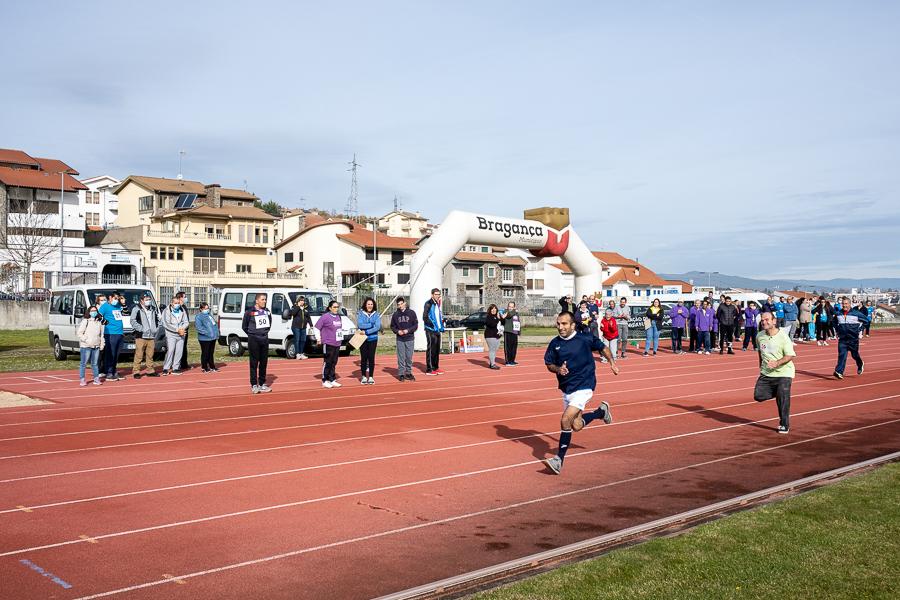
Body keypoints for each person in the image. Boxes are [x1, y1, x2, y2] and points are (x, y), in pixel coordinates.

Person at [543, 311, 618, 475]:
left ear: (572, 325)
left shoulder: (584, 338)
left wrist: (612, 362)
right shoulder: (554, 343)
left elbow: (603, 347)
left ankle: (558, 460)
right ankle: (601, 412)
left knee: (565, 419)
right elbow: (549, 364)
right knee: (576, 425)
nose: (560, 327)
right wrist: (558, 369)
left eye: (564, 324)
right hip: (567, 388)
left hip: (585, 385)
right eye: (558, 324)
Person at [754, 311, 796, 434]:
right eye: (762, 320)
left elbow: (790, 355)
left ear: (774, 321)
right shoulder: (759, 336)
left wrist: (777, 363)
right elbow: (760, 353)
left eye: (767, 319)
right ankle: (779, 393)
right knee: (758, 396)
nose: (764, 322)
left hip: (784, 372)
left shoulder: (783, 336)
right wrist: (761, 367)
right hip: (767, 373)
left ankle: (784, 424)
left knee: (783, 396)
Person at [242, 293, 272, 393]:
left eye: (265, 300)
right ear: (257, 301)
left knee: (264, 362)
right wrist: (252, 334)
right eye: (263, 299)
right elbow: (244, 326)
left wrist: (264, 332)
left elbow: (269, 323)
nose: (265, 301)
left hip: (264, 339)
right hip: (253, 339)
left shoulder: (267, 311)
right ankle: (254, 384)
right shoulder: (249, 312)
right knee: (254, 363)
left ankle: (262, 383)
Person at [832, 296, 868, 380]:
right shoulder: (838, 314)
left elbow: (866, 321)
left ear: (850, 304)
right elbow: (833, 322)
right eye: (843, 304)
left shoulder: (856, 313)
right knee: (842, 355)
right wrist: (837, 330)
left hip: (853, 338)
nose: (844, 305)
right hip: (843, 339)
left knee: (854, 355)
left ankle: (860, 364)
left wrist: (860, 330)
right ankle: (839, 372)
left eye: (846, 304)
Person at [130, 293, 160, 379]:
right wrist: (142, 329)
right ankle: (136, 371)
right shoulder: (136, 309)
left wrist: (156, 329)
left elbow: (158, 319)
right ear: (141, 301)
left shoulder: (153, 309)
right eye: (146, 300)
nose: (148, 301)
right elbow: (133, 321)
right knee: (139, 354)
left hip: (151, 335)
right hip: (141, 336)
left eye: (149, 299)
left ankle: (150, 370)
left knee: (150, 354)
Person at [315, 300, 344, 388]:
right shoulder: (325, 317)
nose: (336, 309)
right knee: (327, 361)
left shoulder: (338, 317)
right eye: (334, 307)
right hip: (328, 343)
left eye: (337, 307)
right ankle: (324, 380)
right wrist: (318, 339)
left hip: (337, 343)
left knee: (334, 362)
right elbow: (316, 327)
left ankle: (332, 379)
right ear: (330, 308)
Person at [98, 292, 125, 381]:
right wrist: (105, 322)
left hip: (119, 333)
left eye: (118, 298)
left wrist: (123, 303)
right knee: (111, 353)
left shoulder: (117, 306)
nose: (116, 300)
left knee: (116, 354)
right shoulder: (105, 306)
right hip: (110, 333)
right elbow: (98, 316)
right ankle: (109, 372)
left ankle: (114, 370)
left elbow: (125, 312)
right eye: (115, 298)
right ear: (110, 297)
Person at [390, 297, 418, 381]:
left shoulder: (411, 313)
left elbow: (415, 325)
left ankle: (408, 373)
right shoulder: (395, 315)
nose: (400, 306)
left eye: (401, 304)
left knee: (409, 357)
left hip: (409, 338)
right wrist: (397, 331)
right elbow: (392, 326)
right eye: (398, 304)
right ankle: (401, 373)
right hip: (400, 339)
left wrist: (408, 330)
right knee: (401, 357)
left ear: (405, 303)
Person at [77, 305, 105, 386]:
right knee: (83, 363)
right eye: (92, 311)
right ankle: (82, 379)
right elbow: (79, 333)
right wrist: (86, 340)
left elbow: (101, 335)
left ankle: (96, 379)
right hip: (86, 346)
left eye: (95, 310)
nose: (94, 312)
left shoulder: (99, 322)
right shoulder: (86, 321)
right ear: (89, 312)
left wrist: (102, 344)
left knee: (95, 363)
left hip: (96, 346)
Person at [161, 295, 189, 376]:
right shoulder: (166, 311)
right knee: (171, 350)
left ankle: (175, 368)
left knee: (179, 351)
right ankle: (166, 368)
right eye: (175, 303)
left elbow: (186, 322)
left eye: (178, 303)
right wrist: (177, 330)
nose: (177, 304)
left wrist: (182, 329)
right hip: (171, 334)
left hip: (181, 334)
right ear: (172, 303)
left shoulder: (182, 310)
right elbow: (166, 324)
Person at [356, 297, 381, 384]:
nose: (370, 306)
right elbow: (360, 324)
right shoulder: (361, 313)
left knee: (371, 357)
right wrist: (371, 324)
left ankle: (370, 376)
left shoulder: (376, 314)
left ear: (373, 305)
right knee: (363, 358)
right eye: (368, 304)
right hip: (362, 339)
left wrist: (366, 331)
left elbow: (377, 327)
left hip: (373, 339)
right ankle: (363, 376)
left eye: (371, 304)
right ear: (365, 305)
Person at [423, 288, 445, 376]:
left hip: (437, 330)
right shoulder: (428, 304)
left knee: (436, 349)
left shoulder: (437, 304)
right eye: (436, 294)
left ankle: (436, 367)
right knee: (431, 349)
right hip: (430, 330)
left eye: (439, 294)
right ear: (432, 295)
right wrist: (432, 325)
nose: (438, 296)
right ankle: (429, 369)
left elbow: (438, 316)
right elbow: (425, 317)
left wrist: (441, 325)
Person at [195, 302, 219, 373]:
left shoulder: (209, 315)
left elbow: (214, 325)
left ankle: (212, 366)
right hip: (204, 338)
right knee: (205, 353)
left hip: (212, 338)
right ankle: (204, 367)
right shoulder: (199, 317)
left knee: (211, 353)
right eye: (205, 308)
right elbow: (199, 328)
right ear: (201, 309)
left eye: (207, 308)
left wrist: (216, 333)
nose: (207, 310)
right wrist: (207, 333)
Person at [500, 301, 521, 366]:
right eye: (509, 306)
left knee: (514, 347)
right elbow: (509, 315)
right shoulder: (506, 312)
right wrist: (515, 311)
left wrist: (519, 332)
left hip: (514, 332)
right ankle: (508, 361)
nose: (510, 308)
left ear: (514, 307)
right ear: (507, 306)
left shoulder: (516, 313)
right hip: (508, 331)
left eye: (512, 307)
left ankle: (512, 360)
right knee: (508, 347)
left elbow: (518, 322)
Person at [175, 291, 192, 371]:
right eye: (184, 296)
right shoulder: (176, 307)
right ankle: (176, 364)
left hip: (185, 330)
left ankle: (184, 364)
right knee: (177, 348)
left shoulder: (184, 307)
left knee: (184, 347)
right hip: (178, 330)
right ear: (180, 298)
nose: (186, 298)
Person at [484, 304, 502, 370]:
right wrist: (497, 318)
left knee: (495, 349)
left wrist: (502, 318)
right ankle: (492, 364)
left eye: (495, 308)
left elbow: (502, 323)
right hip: (490, 335)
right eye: (492, 309)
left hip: (497, 335)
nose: (494, 310)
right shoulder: (488, 317)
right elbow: (492, 324)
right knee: (492, 349)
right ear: (490, 310)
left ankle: (492, 362)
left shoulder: (497, 316)